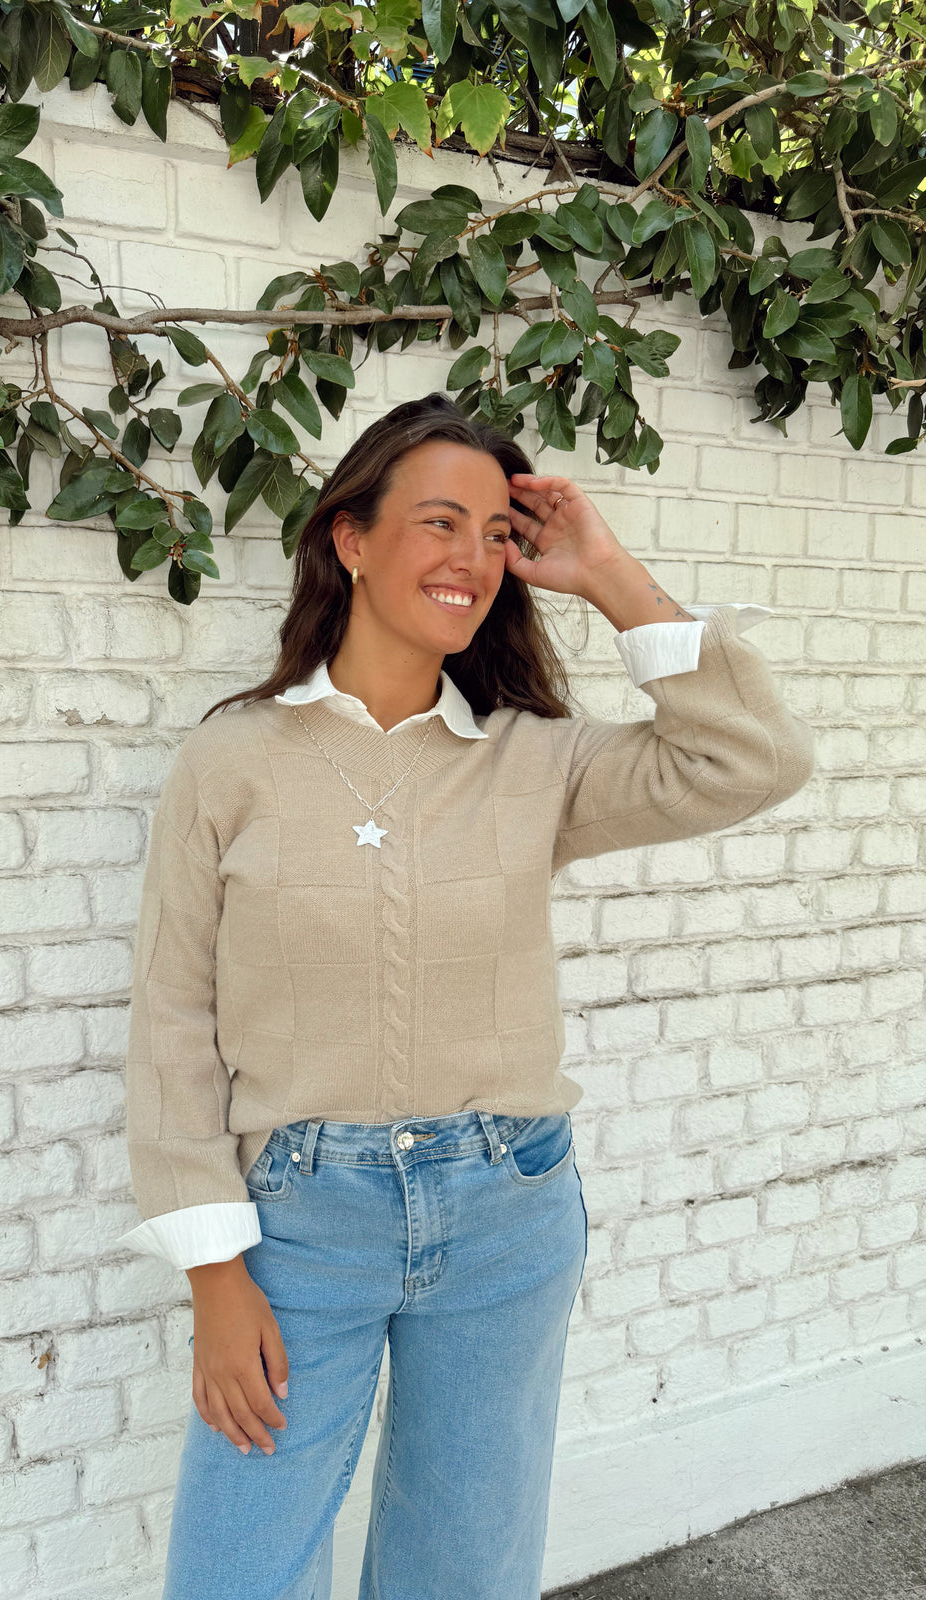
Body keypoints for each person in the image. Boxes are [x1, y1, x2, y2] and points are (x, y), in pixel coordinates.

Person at [123, 393, 815, 1599]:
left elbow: (753, 760)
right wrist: (214, 1275)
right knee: (236, 1569)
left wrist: (609, 575)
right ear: (350, 537)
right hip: (300, 1219)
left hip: (508, 1207)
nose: (473, 558)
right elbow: (173, 1017)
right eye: (440, 522)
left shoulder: (536, 757)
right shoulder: (232, 759)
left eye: (496, 532)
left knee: (464, 1571)